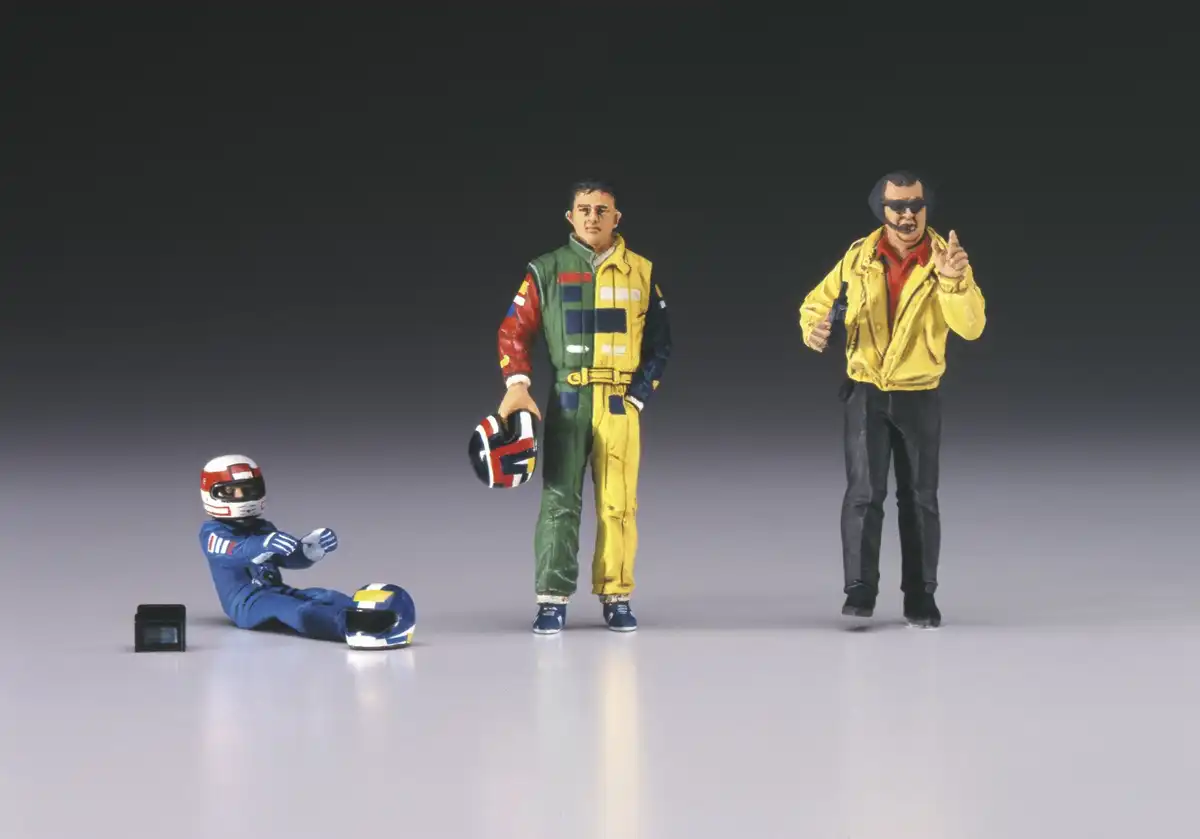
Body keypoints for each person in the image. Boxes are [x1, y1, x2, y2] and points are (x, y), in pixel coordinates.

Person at [798, 171, 986, 628]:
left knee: (920, 499)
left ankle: (921, 595)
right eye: (897, 206)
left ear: (927, 208)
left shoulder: (945, 260)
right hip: (866, 391)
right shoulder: (858, 258)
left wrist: (954, 282)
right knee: (863, 494)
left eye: (916, 206)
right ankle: (859, 588)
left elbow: (972, 326)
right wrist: (814, 329)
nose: (907, 215)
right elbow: (815, 304)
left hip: (919, 394)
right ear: (881, 211)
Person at [495, 179, 672, 634]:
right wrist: (517, 384)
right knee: (559, 500)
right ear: (570, 217)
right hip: (568, 400)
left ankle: (617, 595)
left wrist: (638, 395)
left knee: (620, 503)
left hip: (618, 403)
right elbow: (514, 331)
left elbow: (660, 343)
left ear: (617, 218)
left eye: (601, 209)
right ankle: (551, 598)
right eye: (584, 209)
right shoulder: (546, 269)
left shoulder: (641, 271)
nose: (593, 217)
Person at [198, 454, 370, 643]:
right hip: (247, 602)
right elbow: (235, 551)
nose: (241, 497)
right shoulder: (212, 533)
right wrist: (263, 545)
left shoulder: (263, 528)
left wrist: (307, 551)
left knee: (326, 596)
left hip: (275, 589)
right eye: (230, 491)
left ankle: (370, 611)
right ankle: (355, 629)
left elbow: (284, 558)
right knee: (297, 610)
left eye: (247, 489)